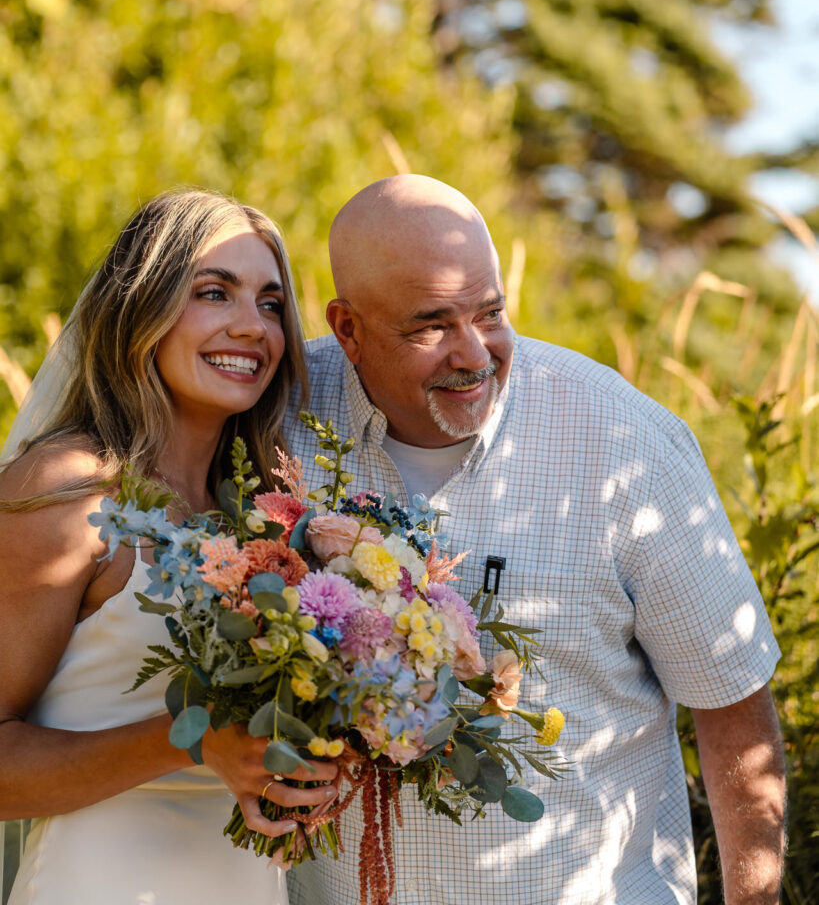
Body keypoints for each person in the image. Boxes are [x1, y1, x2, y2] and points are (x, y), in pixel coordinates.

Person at [282, 174, 785, 905]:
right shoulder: (278, 418)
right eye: (429, 325)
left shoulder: (624, 444)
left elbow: (731, 702)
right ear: (347, 328)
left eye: (490, 312)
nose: (472, 354)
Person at [0, 189, 338, 904]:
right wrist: (189, 739)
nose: (253, 327)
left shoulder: (267, 523)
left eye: (272, 305)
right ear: (140, 308)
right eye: (215, 293)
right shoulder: (68, 493)